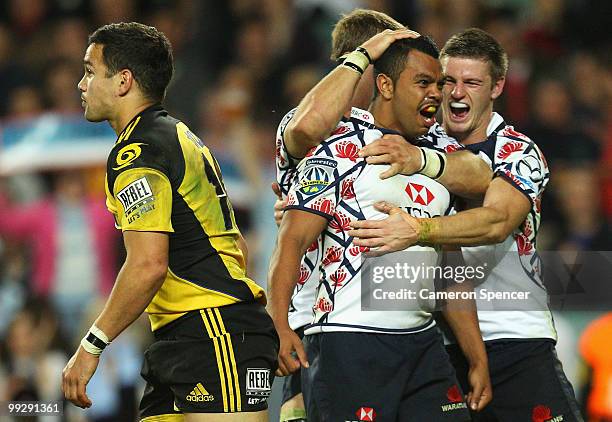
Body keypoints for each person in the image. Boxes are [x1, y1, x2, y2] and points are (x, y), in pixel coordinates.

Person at [349, 28, 583, 421]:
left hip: (513, 337)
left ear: (497, 87)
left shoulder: (518, 151)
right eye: (448, 81)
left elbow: (496, 222)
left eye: (471, 82)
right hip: (436, 343)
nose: (456, 93)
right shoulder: (417, 142)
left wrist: (420, 230)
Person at [273, 11, 492, 420]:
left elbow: (453, 258)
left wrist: (475, 355)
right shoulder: (333, 141)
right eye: (423, 82)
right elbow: (292, 239)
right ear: (380, 79)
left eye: (438, 83)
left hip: (421, 340)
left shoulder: (436, 150)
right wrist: (279, 322)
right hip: (337, 334)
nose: (437, 95)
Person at [62, 22, 278, 421]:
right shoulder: (180, 136)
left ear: (123, 81)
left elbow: (148, 264)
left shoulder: (139, 152)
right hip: (191, 335)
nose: (81, 84)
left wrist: (91, 344)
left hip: (213, 333)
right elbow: (235, 245)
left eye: (90, 71)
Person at [273, 9, 407, 422]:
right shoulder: (311, 126)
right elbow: (305, 128)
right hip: (313, 325)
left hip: (387, 325)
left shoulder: (402, 136)